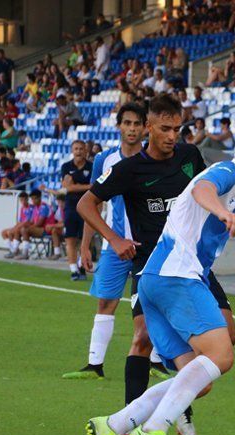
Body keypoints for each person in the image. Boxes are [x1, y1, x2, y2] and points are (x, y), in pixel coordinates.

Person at [85, 126, 235, 435]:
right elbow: (202, 189)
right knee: (222, 354)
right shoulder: (226, 173)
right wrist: (223, 214)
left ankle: (114, 424)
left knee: (200, 379)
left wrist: (226, 211)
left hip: (156, 280)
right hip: (176, 277)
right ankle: (154, 430)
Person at [75, 94, 235, 435]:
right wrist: (115, 240)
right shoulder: (130, 169)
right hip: (152, 266)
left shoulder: (190, 157)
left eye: (177, 128)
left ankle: (178, 400)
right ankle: (128, 424)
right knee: (142, 336)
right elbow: (86, 203)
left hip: (194, 264)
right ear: (149, 127)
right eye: (165, 128)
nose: (172, 136)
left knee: (227, 338)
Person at [62, 103, 149, 380]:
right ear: (119, 126)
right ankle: (95, 365)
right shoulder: (105, 160)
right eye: (127, 123)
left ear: (145, 127)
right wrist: (87, 245)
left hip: (148, 246)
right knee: (105, 302)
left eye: (137, 124)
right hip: (114, 245)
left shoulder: (153, 160)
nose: (132, 129)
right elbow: (94, 204)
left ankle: (157, 363)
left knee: (152, 304)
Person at [61, 141, 92, 280]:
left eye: (81, 149)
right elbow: (69, 188)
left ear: (86, 150)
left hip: (87, 207)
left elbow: (97, 186)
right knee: (70, 239)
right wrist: (88, 186)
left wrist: (76, 185)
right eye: (76, 149)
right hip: (71, 207)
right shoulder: (66, 166)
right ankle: (74, 270)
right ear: (72, 150)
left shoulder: (92, 166)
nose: (78, 151)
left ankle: (82, 267)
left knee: (84, 239)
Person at [16, 191, 51, 259]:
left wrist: (28, 227)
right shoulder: (35, 207)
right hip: (37, 229)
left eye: (35, 199)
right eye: (32, 199)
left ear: (40, 198)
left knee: (24, 230)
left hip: (45, 229)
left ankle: (25, 253)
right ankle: (15, 250)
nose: (33, 201)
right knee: (20, 229)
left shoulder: (44, 207)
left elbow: (39, 223)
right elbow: (32, 221)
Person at [2, 192, 34, 257]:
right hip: (20, 226)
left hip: (27, 227)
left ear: (27, 199)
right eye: (21, 200)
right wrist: (16, 226)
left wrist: (17, 227)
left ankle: (14, 251)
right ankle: (12, 249)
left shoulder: (31, 208)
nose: (23, 202)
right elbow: (20, 221)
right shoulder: (22, 208)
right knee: (3, 232)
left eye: (24, 200)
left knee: (14, 231)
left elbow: (29, 221)